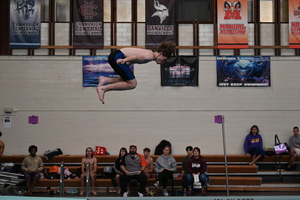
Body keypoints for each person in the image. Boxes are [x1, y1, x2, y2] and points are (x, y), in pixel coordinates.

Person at [96, 41, 176, 104]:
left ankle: (105, 80)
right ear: (160, 54)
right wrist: (124, 60)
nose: (163, 62)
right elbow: (135, 57)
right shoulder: (150, 56)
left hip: (115, 56)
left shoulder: (149, 56)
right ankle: (103, 88)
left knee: (127, 79)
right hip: (117, 57)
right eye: (164, 59)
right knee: (132, 84)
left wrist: (127, 64)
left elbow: (134, 59)